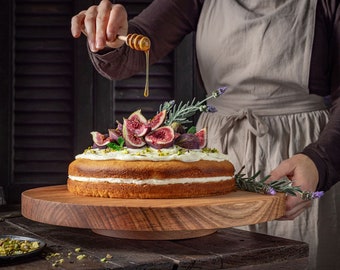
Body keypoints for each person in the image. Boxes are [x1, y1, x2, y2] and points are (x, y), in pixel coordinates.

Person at [71, 0, 340, 269]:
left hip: (304, 155)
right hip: (221, 155)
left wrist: (319, 162)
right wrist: (110, 37)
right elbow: (131, 51)